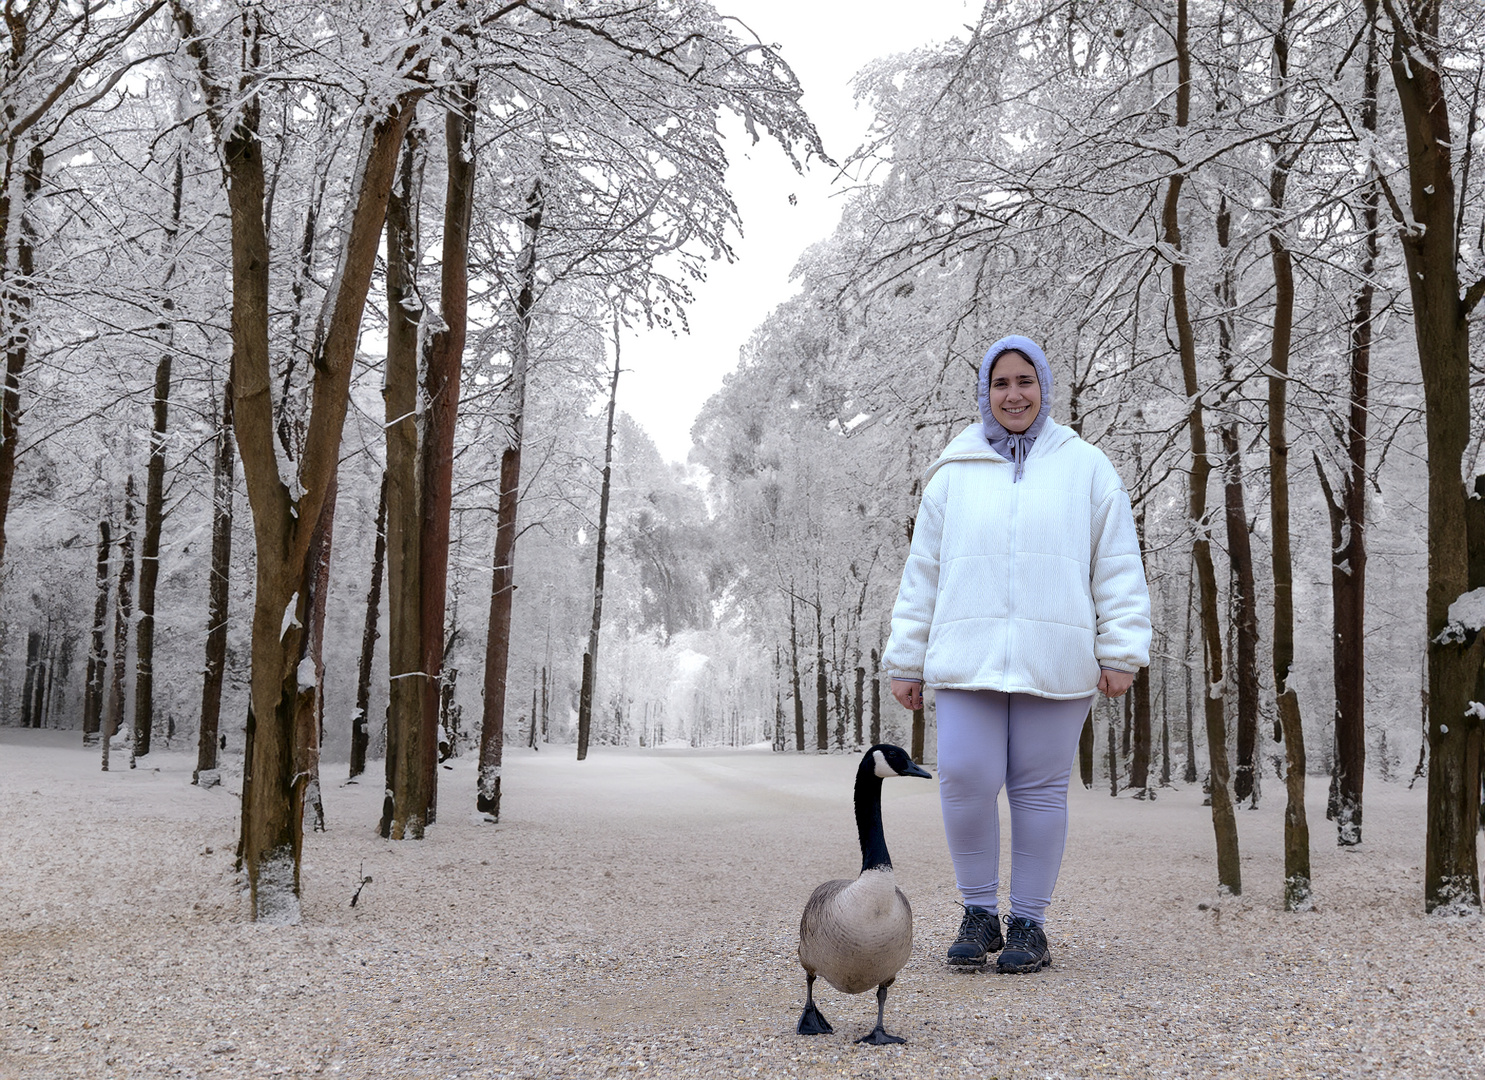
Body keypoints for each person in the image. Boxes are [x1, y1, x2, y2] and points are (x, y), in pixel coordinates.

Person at [881, 334, 1150, 974]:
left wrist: (1121, 649)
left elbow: (1116, 564)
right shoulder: (952, 473)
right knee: (966, 776)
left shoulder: (1086, 467)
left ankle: (1029, 923)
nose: (1013, 394)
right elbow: (923, 571)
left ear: (1044, 388)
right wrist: (906, 659)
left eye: (1024, 381)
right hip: (966, 655)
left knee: (1038, 790)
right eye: (1000, 383)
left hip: (1055, 658)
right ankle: (978, 911)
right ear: (985, 393)